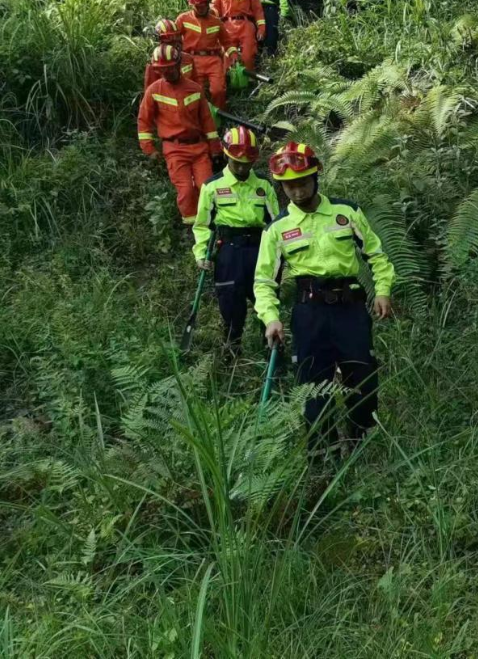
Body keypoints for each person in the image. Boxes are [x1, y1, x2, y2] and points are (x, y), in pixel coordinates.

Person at [253, 142, 395, 446]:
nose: (297, 190)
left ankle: (360, 443)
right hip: (309, 314)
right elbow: (264, 282)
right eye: (289, 185)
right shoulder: (276, 229)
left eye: (302, 182)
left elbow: (377, 255)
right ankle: (322, 456)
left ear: (316, 176)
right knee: (313, 387)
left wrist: (382, 290)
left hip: (351, 310)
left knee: (363, 378)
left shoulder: (347, 212)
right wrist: (270, 318)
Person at [192, 126, 279, 352]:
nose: (241, 167)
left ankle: (272, 353)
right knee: (231, 305)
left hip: (259, 250)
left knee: (266, 302)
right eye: (236, 162)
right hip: (228, 251)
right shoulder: (212, 186)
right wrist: (202, 253)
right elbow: (202, 225)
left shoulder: (264, 185)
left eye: (247, 163)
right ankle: (232, 352)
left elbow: (276, 224)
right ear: (226, 155)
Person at [137, 43, 221, 224]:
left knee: (205, 186)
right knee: (186, 191)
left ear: (178, 65)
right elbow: (144, 122)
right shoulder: (153, 91)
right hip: (174, 149)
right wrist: (149, 149)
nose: (167, 73)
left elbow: (207, 121)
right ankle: (192, 227)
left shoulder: (194, 89)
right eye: (162, 70)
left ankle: (211, 222)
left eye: (170, 68)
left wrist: (215, 147)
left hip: (199, 147)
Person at [176, 0, 236, 109]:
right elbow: (173, 39)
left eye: (203, 5)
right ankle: (201, 120)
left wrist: (233, 54)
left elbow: (227, 42)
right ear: (191, 4)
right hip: (192, 60)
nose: (200, 8)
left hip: (213, 60)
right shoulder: (183, 19)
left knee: (218, 90)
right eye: (197, 6)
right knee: (196, 94)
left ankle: (220, 118)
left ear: (208, 3)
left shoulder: (216, 22)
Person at [211, 0, 265, 72]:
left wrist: (261, 27)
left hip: (246, 25)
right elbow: (215, 9)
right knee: (227, 56)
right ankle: (229, 83)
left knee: (248, 54)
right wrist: (211, 11)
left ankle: (249, 82)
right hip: (227, 26)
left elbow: (258, 10)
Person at [143, 18, 194, 90]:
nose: (173, 44)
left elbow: (197, 86)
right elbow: (150, 91)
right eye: (168, 41)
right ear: (159, 42)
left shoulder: (188, 59)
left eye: (174, 39)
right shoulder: (155, 64)